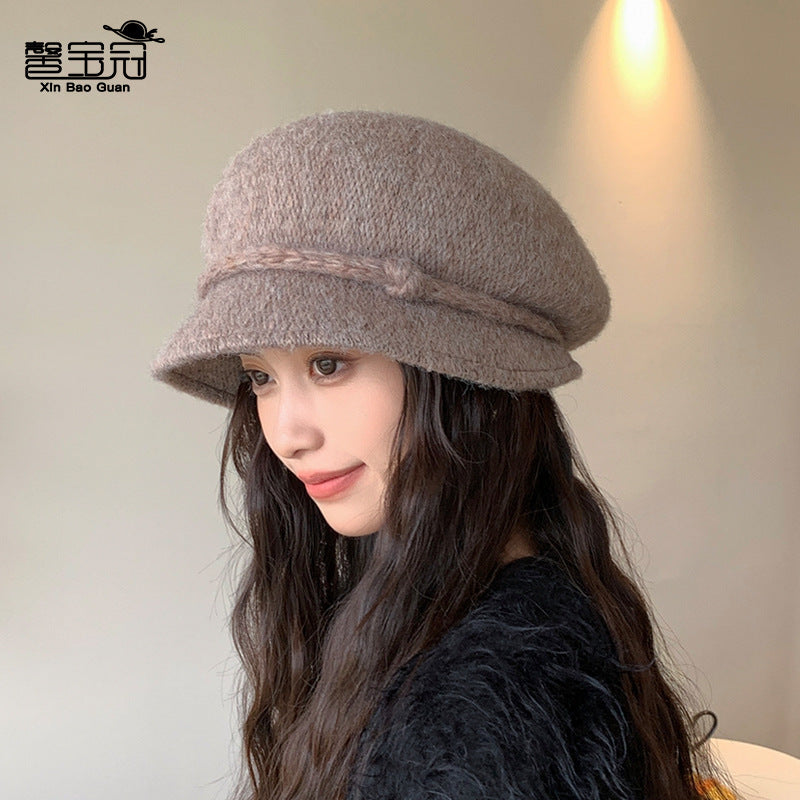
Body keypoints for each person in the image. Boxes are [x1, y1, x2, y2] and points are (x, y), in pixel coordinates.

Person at [151, 110, 736, 800]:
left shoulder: (483, 709)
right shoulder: (461, 611)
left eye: (329, 363)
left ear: (464, 380)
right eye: (260, 377)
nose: (286, 434)